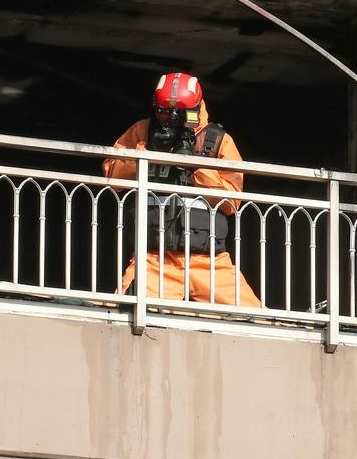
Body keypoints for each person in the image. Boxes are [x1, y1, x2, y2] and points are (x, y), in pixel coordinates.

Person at [103, 71, 261, 307]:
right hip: (155, 258)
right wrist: (145, 153)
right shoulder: (142, 131)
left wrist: (197, 167)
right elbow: (112, 176)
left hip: (210, 260)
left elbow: (232, 202)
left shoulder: (218, 141)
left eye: (179, 113)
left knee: (252, 316)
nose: (171, 119)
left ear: (197, 108)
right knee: (124, 310)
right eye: (164, 111)